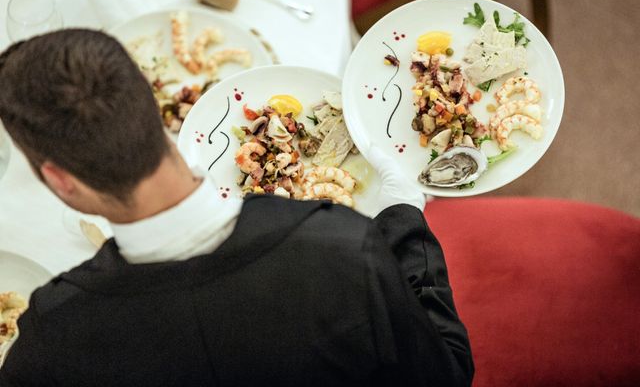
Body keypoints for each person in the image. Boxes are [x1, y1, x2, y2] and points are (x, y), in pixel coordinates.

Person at [0, 30, 473, 386]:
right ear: (153, 105)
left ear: (59, 180)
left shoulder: (52, 336)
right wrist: (406, 222)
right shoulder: (342, 247)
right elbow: (448, 372)